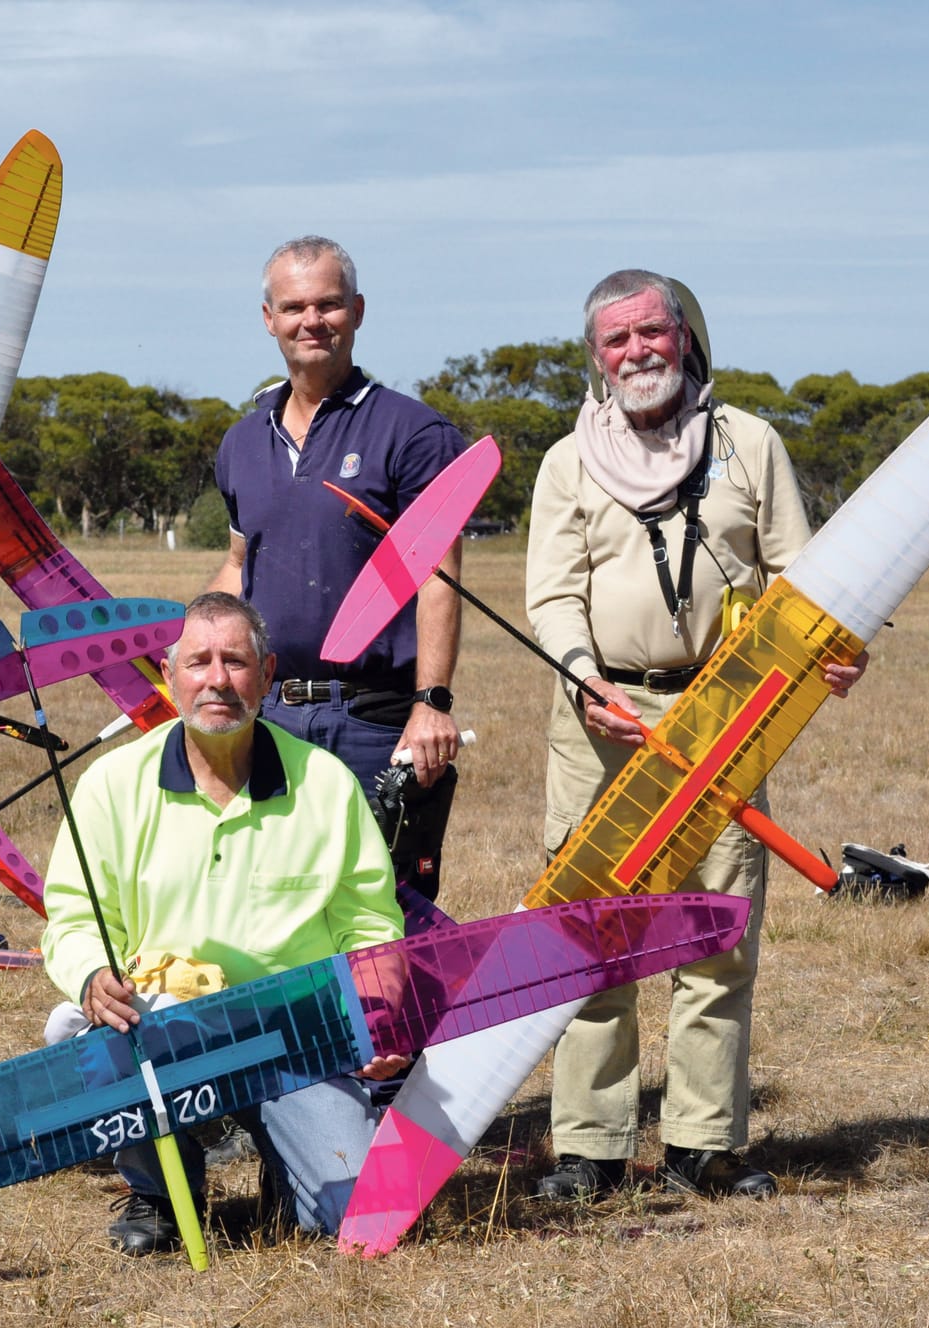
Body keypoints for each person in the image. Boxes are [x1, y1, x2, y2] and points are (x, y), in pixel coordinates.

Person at [524, 270, 866, 1201]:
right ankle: (590, 1151)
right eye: (615, 340)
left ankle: (702, 1146)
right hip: (603, 718)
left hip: (727, 711)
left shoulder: (750, 444)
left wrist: (840, 651)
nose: (636, 353)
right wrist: (584, 675)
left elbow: (804, 575)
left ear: (686, 337)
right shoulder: (568, 461)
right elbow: (553, 594)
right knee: (595, 935)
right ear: (595, 358)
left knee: (720, 935)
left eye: (650, 333)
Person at [39, 592, 408, 1256]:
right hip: (166, 1030)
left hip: (295, 1038)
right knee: (96, 1034)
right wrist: (93, 973)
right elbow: (72, 918)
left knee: (356, 1218)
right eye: (199, 661)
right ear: (169, 674)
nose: (217, 680)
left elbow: (370, 923)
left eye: (236, 662)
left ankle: (286, 1168)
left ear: (267, 677)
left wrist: (380, 1012)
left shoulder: (324, 785)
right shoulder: (111, 785)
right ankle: (158, 1186)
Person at [207, 236, 468, 900]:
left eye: (328, 305)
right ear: (269, 319)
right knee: (266, 903)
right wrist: (191, 647)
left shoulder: (412, 433)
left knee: (379, 912)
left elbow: (439, 574)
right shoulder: (242, 442)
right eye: (293, 307)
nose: (311, 321)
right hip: (266, 718)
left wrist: (431, 705)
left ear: (356, 310)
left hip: (371, 722)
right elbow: (240, 565)